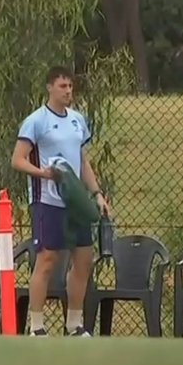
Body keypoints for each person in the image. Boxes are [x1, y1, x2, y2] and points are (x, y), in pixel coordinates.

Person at [11, 66, 112, 338]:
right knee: (47, 259)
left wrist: (97, 194)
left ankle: (74, 325)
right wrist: (43, 173)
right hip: (47, 201)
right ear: (50, 88)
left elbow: (82, 161)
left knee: (84, 259)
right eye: (62, 86)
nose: (68, 91)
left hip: (75, 203)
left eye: (70, 86)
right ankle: (36, 327)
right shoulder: (36, 121)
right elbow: (18, 159)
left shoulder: (78, 119)